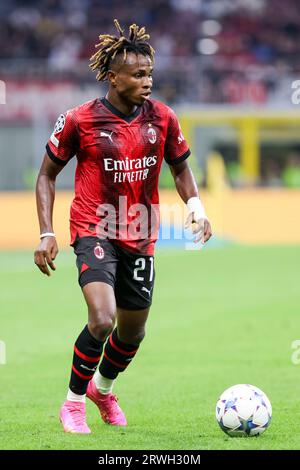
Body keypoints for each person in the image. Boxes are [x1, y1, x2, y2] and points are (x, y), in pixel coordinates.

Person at [34, 19, 212, 434]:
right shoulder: (79, 120)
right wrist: (47, 231)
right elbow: (46, 175)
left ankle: (102, 389)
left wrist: (197, 206)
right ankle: (73, 403)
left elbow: (181, 168)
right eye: (138, 74)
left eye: (150, 73)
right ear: (113, 78)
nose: (147, 81)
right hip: (94, 228)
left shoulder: (163, 118)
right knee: (102, 319)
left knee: (133, 334)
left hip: (141, 231)